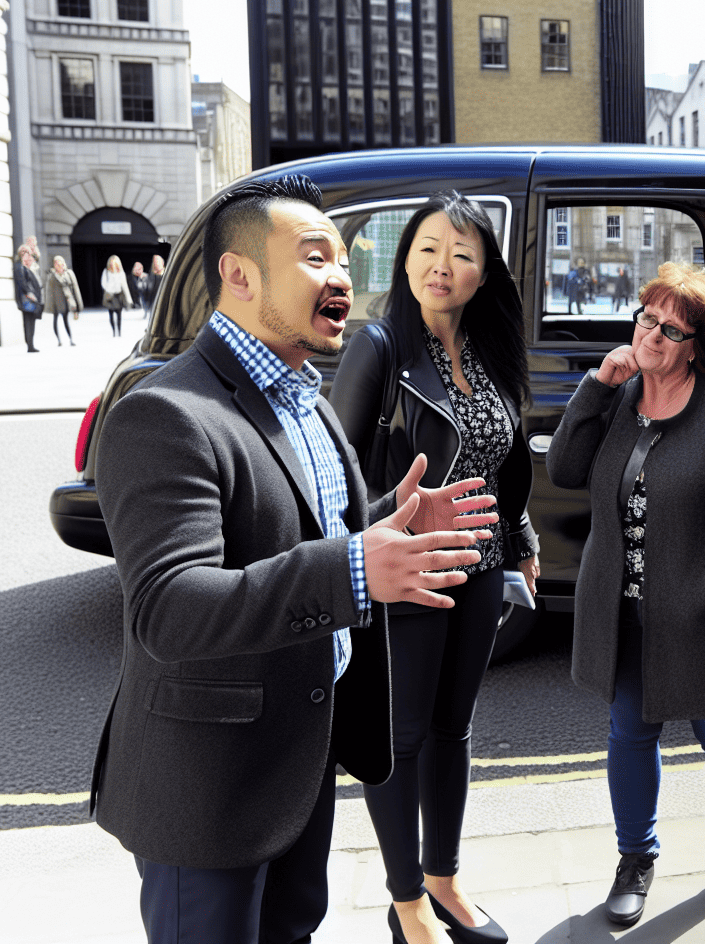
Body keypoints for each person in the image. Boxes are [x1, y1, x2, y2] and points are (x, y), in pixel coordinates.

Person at [90, 175, 497, 944]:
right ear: (239, 276)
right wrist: (353, 566)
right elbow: (169, 609)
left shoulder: (304, 396)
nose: (341, 276)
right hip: (209, 789)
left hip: (301, 755)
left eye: (343, 259)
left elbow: (303, 532)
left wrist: (390, 523)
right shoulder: (165, 413)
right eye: (315, 257)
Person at [546, 264, 705, 926]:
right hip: (622, 612)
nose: (651, 335)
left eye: (671, 328)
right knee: (630, 732)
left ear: (697, 346)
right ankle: (635, 859)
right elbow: (565, 469)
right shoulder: (621, 397)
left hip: (700, 612)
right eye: (645, 319)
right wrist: (596, 387)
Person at [330, 193, 541, 944]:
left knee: (454, 730)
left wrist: (518, 534)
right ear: (405, 257)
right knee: (404, 737)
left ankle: (445, 880)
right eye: (425, 247)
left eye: (459, 252)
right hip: (410, 571)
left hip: (478, 571)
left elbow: (499, 454)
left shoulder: (488, 347)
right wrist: (403, 508)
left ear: (484, 271)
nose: (440, 265)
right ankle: (405, 902)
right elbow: (336, 481)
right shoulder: (379, 347)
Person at [45, 255, 81, 346]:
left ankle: (71, 339)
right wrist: (50, 306)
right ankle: (59, 340)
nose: (58, 265)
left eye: (59, 263)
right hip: (57, 303)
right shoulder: (52, 276)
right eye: (56, 263)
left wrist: (78, 305)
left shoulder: (69, 274)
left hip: (69, 302)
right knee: (57, 322)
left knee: (69, 321)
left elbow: (75, 289)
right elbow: (49, 292)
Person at [14, 248, 44, 353]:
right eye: (24, 253)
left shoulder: (28, 267)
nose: (27, 256)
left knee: (31, 321)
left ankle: (31, 344)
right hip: (27, 299)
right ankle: (30, 345)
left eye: (28, 254)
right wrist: (29, 293)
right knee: (28, 322)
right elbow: (22, 282)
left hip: (32, 299)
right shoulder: (19, 267)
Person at [101, 255, 134, 337]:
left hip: (118, 296)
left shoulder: (121, 273)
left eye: (115, 263)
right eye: (112, 263)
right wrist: (111, 288)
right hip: (110, 296)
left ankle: (119, 332)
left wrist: (129, 299)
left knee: (119, 315)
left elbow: (125, 286)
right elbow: (103, 284)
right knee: (111, 315)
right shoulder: (106, 272)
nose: (113, 265)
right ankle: (113, 331)